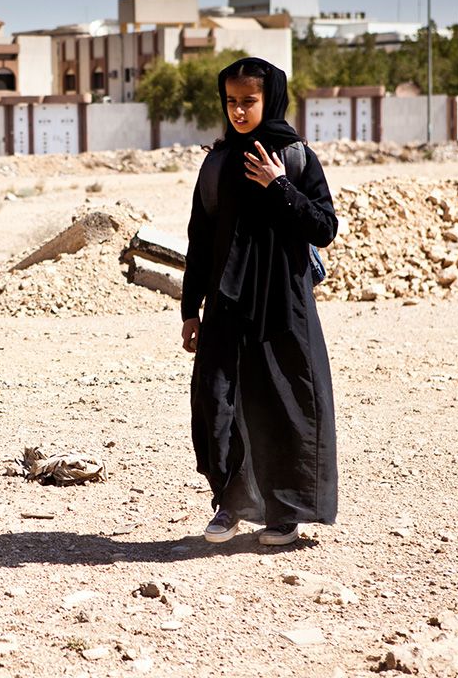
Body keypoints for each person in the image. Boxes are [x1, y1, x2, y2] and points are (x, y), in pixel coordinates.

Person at [180, 56, 338, 547]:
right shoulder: (218, 161)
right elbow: (200, 241)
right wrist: (190, 309)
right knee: (217, 400)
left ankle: (284, 512)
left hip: (282, 305)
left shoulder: (295, 158)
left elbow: (323, 227)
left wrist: (278, 185)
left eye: (249, 101)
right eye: (231, 102)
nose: (239, 111)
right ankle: (230, 504)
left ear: (270, 98)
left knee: (284, 403)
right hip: (226, 304)